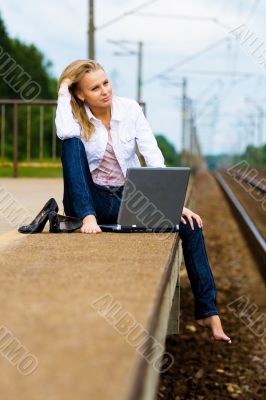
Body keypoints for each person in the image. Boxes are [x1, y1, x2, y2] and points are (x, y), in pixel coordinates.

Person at [55, 59, 231, 343]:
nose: (104, 91)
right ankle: (87, 217)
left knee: (191, 226)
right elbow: (64, 132)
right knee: (71, 143)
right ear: (80, 94)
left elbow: (152, 155)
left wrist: (172, 203)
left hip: (125, 197)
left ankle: (208, 311)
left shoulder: (130, 109)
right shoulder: (74, 118)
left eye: (106, 82)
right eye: (94, 87)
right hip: (89, 201)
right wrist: (64, 89)